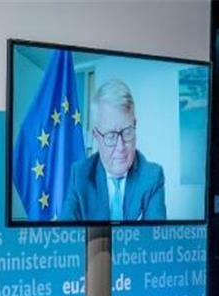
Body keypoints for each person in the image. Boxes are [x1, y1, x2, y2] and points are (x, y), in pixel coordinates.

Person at [60, 78, 166, 222]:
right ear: (96, 136)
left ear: (135, 125)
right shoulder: (79, 175)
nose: (120, 147)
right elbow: (66, 236)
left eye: (128, 131)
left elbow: (155, 241)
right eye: (111, 136)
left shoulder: (152, 176)